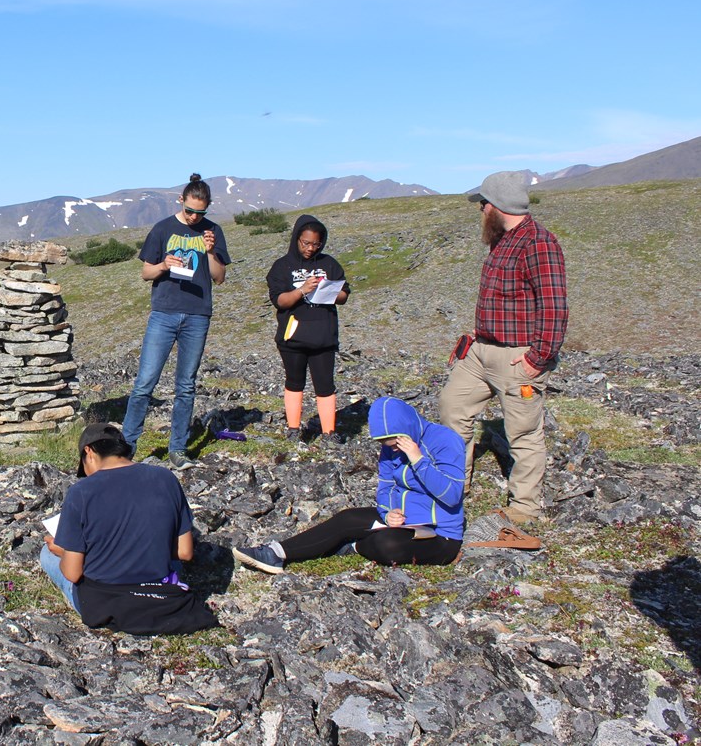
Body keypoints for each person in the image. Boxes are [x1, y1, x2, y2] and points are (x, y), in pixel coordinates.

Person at [438, 171, 568, 525]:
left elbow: (554, 305)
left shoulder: (539, 243)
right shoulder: (502, 241)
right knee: (452, 407)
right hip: (481, 350)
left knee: (524, 432)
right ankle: (451, 485)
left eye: (482, 204)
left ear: (495, 206)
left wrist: (537, 359)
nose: (480, 211)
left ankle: (525, 508)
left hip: (518, 357)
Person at [234, 397, 466, 574]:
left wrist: (417, 459)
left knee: (386, 544)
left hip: (440, 535)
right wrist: (388, 513)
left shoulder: (445, 441)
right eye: (386, 444)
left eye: (395, 442)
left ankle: (353, 546)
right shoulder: (389, 448)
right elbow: (386, 487)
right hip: (404, 522)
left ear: (407, 429)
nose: (392, 448)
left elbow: (452, 495)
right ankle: (275, 553)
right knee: (348, 518)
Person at [40, 423, 216, 635]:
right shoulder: (165, 478)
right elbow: (185, 552)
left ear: (89, 451)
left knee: (47, 554)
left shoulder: (82, 491)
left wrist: (63, 551)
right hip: (162, 592)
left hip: (106, 601)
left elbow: (73, 573)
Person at [121, 174, 231, 470]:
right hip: (164, 313)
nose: (195, 217)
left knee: (186, 385)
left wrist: (209, 252)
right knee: (145, 383)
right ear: (181, 200)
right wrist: (163, 265)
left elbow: (219, 277)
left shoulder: (213, 231)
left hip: (197, 315)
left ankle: (178, 449)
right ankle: (126, 448)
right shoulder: (163, 228)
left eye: (202, 212)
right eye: (191, 210)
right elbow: (146, 273)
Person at [266, 214, 350, 442]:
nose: (311, 248)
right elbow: (280, 301)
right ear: (296, 239)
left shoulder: (330, 264)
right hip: (293, 336)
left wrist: (327, 289)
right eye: (306, 243)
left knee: (325, 385)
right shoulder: (282, 267)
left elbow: (344, 296)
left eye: (316, 244)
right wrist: (302, 289)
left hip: (323, 336)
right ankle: (293, 429)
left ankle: (329, 432)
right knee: (294, 382)